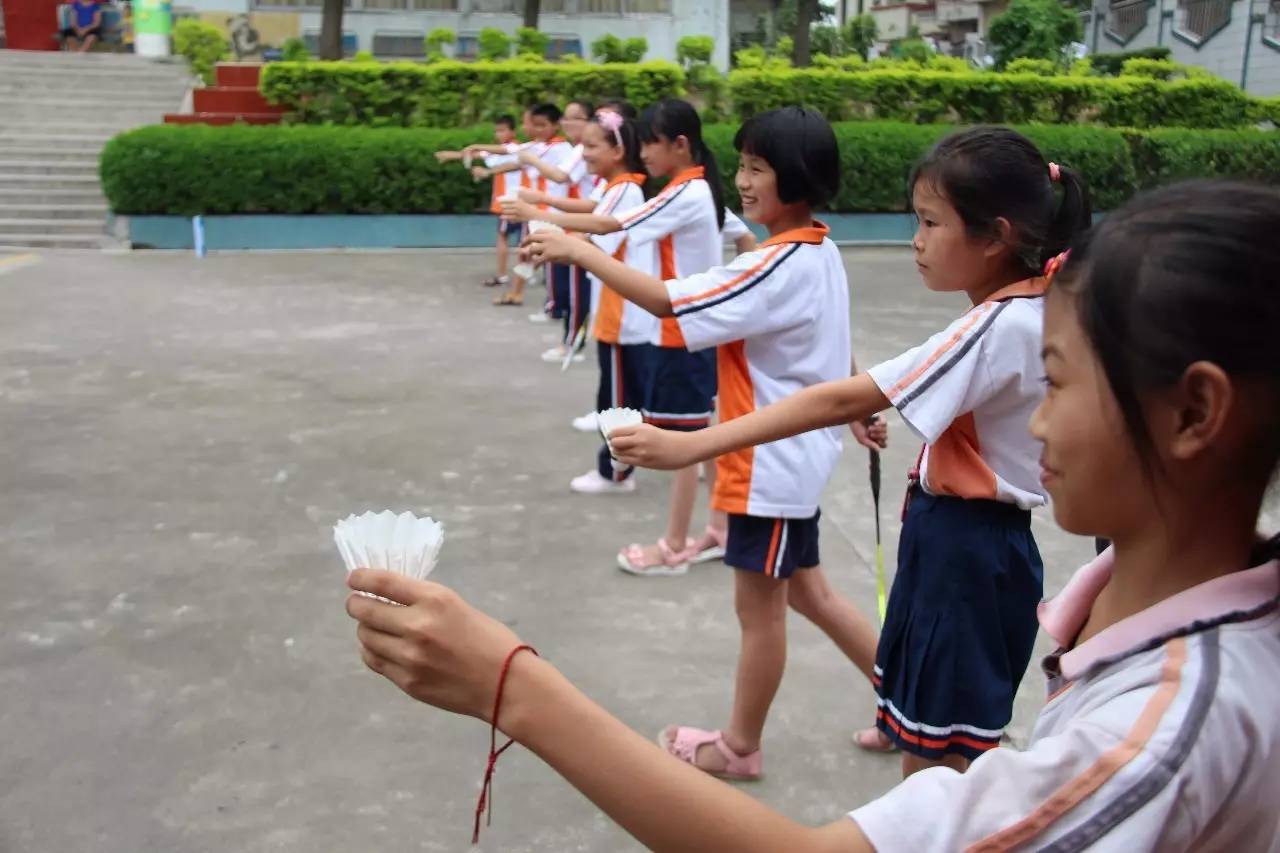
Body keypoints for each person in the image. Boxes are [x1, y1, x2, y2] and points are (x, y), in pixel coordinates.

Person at [347, 179, 1280, 850]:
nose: (1034, 418)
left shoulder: (1170, 728)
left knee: (835, 650)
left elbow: (794, 367)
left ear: (1194, 413)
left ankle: (746, 740)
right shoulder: (1139, 605)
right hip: (902, 519)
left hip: (807, 484)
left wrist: (511, 686)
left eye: (1059, 383)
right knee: (842, 637)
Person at [615, 126, 1094, 773]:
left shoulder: (994, 325)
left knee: (936, 769)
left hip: (958, 548)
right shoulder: (1041, 307)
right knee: (940, 725)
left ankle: (744, 744)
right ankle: (900, 711)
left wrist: (690, 444)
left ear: (997, 234)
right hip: (983, 545)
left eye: (930, 222)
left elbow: (837, 397)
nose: (916, 241)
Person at [524, 106, 888, 778]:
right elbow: (827, 345)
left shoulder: (775, 262)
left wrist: (579, 251)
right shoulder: (818, 248)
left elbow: (669, 300)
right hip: (790, 464)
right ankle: (906, 704)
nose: (743, 181)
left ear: (799, 178)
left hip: (767, 469)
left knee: (760, 610)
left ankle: (738, 745)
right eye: (743, 165)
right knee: (810, 594)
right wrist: (856, 400)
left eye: (758, 169)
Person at [505, 99, 751, 564]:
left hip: (683, 331)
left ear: (680, 144)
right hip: (686, 329)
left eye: (651, 144)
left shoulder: (685, 191)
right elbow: (741, 237)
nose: (645, 153)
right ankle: (718, 528)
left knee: (683, 443)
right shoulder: (692, 189)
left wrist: (545, 222)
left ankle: (674, 547)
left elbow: (608, 223)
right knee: (700, 435)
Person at [514, 99, 600, 363]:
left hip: (581, 223)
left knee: (578, 285)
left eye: (575, 118)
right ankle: (564, 323)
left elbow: (560, 177)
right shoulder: (576, 150)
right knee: (563, 278)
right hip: (570, 221)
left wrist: (539, 200)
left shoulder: (576, 150)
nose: (567, 123)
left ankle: (572, 342)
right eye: (566, 118)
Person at [435, 115, 521, 289]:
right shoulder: (497, 151)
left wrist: (477, 150)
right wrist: (449, 156)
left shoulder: (516, 148)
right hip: (507, 202)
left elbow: (492, 151)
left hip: (511, 201)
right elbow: (473, 155)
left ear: (513, 131)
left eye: (503, 130)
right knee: (519, 239)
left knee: (506, 237)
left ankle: (504, 275)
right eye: (497, 131)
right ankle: (525, 274)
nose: (499, 134)